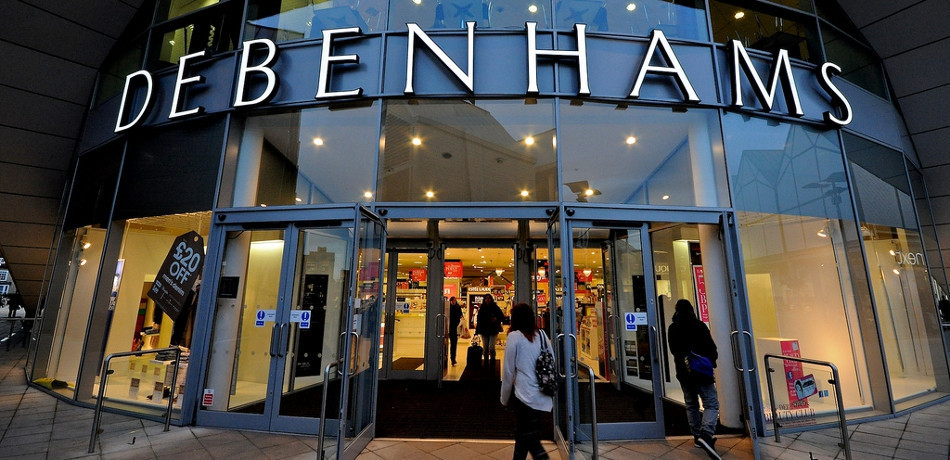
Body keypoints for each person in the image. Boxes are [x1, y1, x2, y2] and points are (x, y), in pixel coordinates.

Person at [667, 298, 720, 458]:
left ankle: (697, 437)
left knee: (691, 404)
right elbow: (711, 347)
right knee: (711, 403)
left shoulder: (673, 328)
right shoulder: (699, 326)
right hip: (702, 371)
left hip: (684, 372)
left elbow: (673, 350)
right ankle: (706, 435)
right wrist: (711, 361)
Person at [501, 303, 552, 460]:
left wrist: (504, 398)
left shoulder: (514, 337)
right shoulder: (542, 335)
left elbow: (508, 371)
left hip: (524, 396)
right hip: (542, 396)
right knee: (523, 437)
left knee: (530, 440)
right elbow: (552, 361)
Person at [476, 294, 504, 362]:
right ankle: (486, 361)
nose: (487, 300)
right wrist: (477, 331)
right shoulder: (482, 308)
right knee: (485, 348)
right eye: (486, 298)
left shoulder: (495, 307)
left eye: (489, 298)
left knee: (491, 347)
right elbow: (479, 320)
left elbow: (502, 316)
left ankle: (492, 361)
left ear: (491, 299)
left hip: (493, 330)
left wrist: (496, 319)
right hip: (484, 330)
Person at [448, 296, 463, 365]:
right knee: (453, 344)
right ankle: (452, 358)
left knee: (454, 344)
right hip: (450, 328)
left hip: (455, 328)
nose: (453, 302)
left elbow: (461, 315)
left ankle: (453, 358)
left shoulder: (457, 307)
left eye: (454, 300)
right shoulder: (449, 307)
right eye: (452, 301)